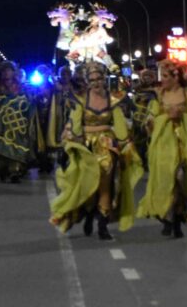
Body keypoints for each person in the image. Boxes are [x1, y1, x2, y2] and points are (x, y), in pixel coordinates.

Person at [49, 62, 142, 241]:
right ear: (87, 81)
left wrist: (125, 144)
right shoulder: (80, 99)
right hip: (86, 147)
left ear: (104, 78)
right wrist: (82, 138)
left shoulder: (114, 99)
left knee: (105, 184)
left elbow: (120, 125)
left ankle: (102, 226)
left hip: (106, 146)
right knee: (87, 185)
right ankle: (89, 215)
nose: (96, 82)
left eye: (99, 78)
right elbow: (76, 126)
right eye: (92, 80)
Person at [136, 61, 187, 239]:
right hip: (163, 147)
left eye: (165, 76)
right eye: (162, 76)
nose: (162, 80)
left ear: (176, 77)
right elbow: (149, 121)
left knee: (180, 180)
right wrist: (163, 118)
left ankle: (177, 219)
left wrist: (182, 116)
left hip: (183, 148)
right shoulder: (158, 97)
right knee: (165, 183)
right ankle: (168, 219)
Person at [0, 62, 43, 183]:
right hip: (3, 123)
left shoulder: (21, 87)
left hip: (18, 123)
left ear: (14, 72)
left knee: (18, 145)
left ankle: (16, 170)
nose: (7, 73)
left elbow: (28, 103)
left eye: (9, 70)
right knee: (1, 146)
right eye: (4, 71)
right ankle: (3, 169)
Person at [129, 66, 159, 168]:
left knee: (148, 140)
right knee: (137, 139)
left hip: (148, 119)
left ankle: (147, 160)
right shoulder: (137, 90)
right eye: (145, 76)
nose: (147, 78)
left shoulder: (155, 92)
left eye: (149, 76)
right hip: (136, 119)